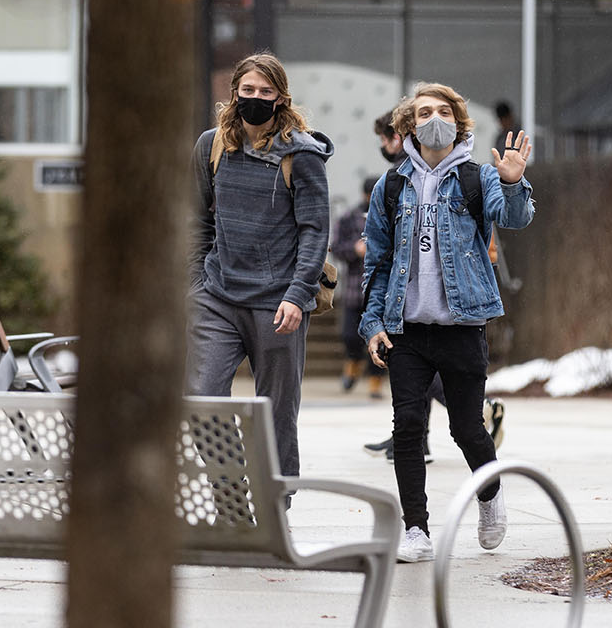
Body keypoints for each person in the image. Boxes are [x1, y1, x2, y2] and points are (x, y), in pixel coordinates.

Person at [360, 82, 534, 563]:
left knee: (466, 428)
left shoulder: (480, 178)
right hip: (406, 330)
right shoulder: (391, 186)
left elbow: (514, 218)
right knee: (408, 427)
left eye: (442, 111)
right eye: (423, 113)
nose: (433, 119)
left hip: (462, 324)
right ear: (408, 126)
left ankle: (490, 494)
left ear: (457, 122)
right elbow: (376, 260)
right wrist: (372, 321)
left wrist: (515, 181)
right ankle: (416, 528)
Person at [188, 52, 334, 488]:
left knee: (276, 411)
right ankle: (231, 500)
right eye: (247, 91)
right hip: (218, 297)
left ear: (281, 98)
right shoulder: (211, 145)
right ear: (233, 94)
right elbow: (198, 220)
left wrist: (296, 294)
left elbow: (314, 231)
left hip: (278, 304)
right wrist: (195, 286)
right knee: (202, 400)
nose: (255, 99)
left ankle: (276, 506)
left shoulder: (302, 156)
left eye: (265, 92)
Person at [332, 177, 382, 397]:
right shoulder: (349, 218)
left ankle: (375, 382)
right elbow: (336, 248)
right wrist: (355, 250)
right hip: (354, 288)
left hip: (380, 290)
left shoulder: (386, 215)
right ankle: (353, 363)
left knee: (380, 338)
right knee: (350, 335)